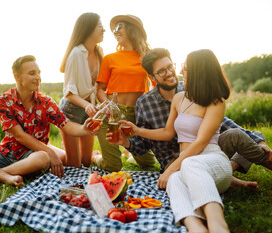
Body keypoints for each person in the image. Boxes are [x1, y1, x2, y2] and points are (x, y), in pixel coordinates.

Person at [115, 48, 271, 189]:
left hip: (204, 151)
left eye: (170, 67)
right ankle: (227, 177)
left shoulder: (192, 88)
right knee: (196, 167)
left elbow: (221, 122)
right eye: (162, 71)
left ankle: (227, 173)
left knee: (251, 135)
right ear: (151, 77)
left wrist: (257, 140)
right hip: (173, 162)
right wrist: (125, 142)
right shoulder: (145, 103)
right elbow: (143, 145)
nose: (169, 73)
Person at [115, 49, 232, 232]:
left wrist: (170, 168)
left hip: (209, 158)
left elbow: (201, 142)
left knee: (186, 166)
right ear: (152, 76)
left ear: (197, 73)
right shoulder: (179, 98)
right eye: (162, 70)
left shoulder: (216, 102)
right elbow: (168, 133)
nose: (175, 72)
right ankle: (195, 226)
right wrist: (136, 131)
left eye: (180, 67)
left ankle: (218, 224)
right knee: (174, 181)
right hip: (188, 164)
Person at [0, 55, 100, 186]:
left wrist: (84, 129)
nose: (38, 77)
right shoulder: (3, 101)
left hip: (32, 156)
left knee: (43, 157)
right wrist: (50, 151)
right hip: (6, 152)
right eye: (32, 73)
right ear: (17, 77)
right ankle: (3, 176)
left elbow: (66, 125)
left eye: (38, 73)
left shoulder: (46, 102)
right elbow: (19, 136)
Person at [92, 14, 156, 172]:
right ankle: (96, 157)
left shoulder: (147, 57)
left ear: (132, 30)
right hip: (112, 115)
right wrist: (108, 106)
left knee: (148, 163)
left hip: (137, 116)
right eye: (114, 28)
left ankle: (130, 154)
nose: (115, 31)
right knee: (112, 167)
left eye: (119, 27)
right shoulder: (110, 58)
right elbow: (100, 89)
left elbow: (156, 85)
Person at [59, 12, 104, 168]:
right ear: (89, 29)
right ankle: (51, 154)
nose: (103, 30)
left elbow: (99, 87)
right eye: (100, 26)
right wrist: (87, 106)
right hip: (70, 112)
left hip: (87, 112)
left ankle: (90, 156)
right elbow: (69, 93)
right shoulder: (76, 53)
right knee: (74, 166)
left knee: (85, 163)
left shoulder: (99, 52)